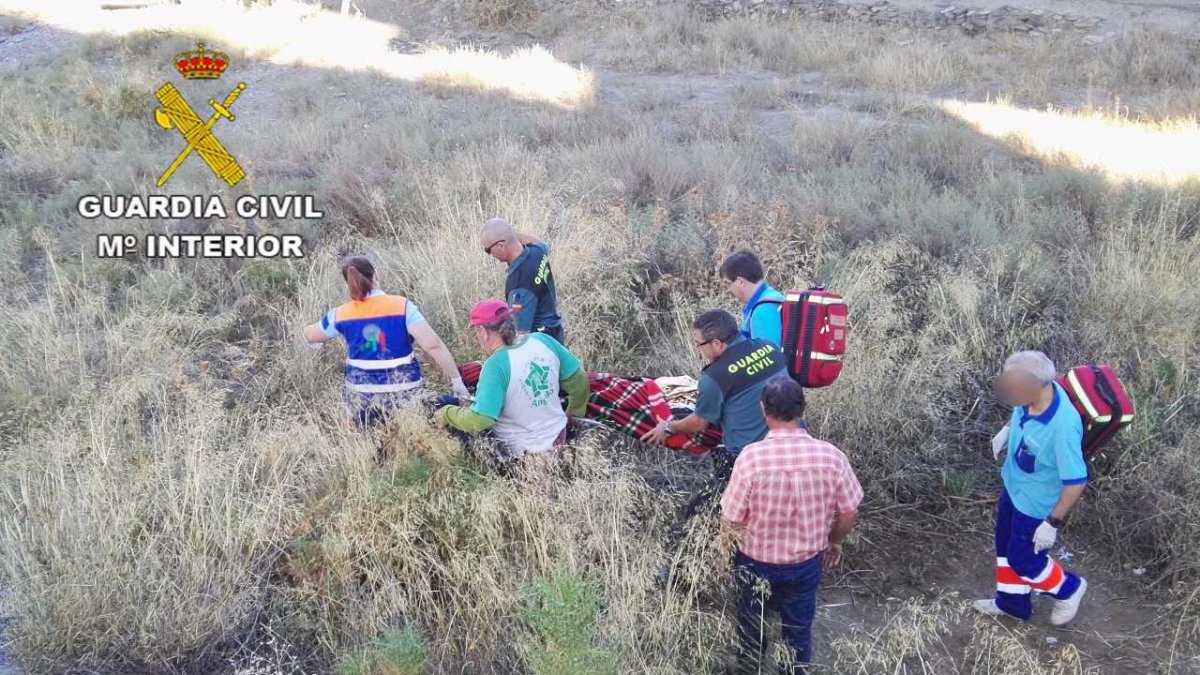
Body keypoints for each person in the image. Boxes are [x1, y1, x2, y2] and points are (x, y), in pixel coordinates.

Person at [720, 377, 862, 674]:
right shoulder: (831, 456)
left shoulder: (751, 458)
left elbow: (731, 518)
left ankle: (750, 667)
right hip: (805, 563)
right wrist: (834, 541)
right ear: (803, 409)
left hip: (754, 562)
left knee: (751, 626)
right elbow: (849, 511)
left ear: (763, 410)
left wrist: (724, 554)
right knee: (797, 631)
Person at [641, 310, 789, 559]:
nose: (699, 349)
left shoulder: (715, 376)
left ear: (717, 344)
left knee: (710, 509)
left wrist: (668, 426)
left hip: (746, 457)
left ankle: (701, 558)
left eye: (699, 344)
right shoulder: (769, 348)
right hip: (790, 444)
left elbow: (699, 423)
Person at [974, 350, 1089, 625]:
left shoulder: (1062, 426)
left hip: (1037, 505)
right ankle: (1012, 604)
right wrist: (1008, 430)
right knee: (1004, 547)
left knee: (1023, 558)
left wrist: (1052, 522)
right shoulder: (1029, 396)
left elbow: (1076, 481)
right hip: (1014, 488)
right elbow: (1020, 415)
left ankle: (1069, 588)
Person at [303, 256, 469, 427]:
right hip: (407, 398)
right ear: (376, 275)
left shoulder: (340, 314)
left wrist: (309, 332)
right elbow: (433, 344)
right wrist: (456, 380)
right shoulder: (402, 306)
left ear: (348, 284)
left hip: (361, 404)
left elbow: (311, 336)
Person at [434, 299, 588, 465]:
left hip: (524, 453)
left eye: (476, 333)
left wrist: (447, 413)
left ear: (483, 331)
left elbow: (480, 419)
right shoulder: (543, 340)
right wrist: (574, 413)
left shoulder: (495, 365)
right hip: (559, 435)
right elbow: (580, 381)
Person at [480, 217, 565, 344]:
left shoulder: (518, 287)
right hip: (554, 331)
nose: (490, 255)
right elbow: (542, 245)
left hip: (541, 345)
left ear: (500, 246)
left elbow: (521, 335)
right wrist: (508, 234)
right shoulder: (537, 251)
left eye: (488, 250)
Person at [720, 250, 786, 348]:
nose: (727, 290)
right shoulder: (771, 297)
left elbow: (769, 359)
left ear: (740, 282)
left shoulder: (763, 311)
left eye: (727, 284)